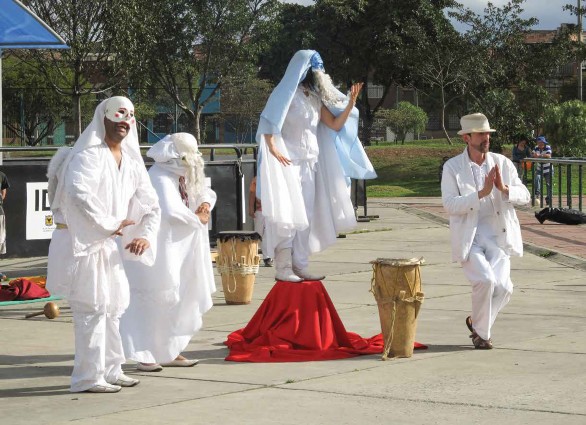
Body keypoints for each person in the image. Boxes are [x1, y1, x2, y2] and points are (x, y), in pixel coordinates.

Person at [46, 96, 161, 393]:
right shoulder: (87, 155)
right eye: (119, 114)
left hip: (106, 244)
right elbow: (77, 194)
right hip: (80, 242)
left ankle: (112, 369)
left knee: (114, 306)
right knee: (92, 308)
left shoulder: (132, 162)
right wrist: (111, 223)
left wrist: (145, 234)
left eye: (130, 116)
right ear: (104, 118)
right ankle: (87, 377)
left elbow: (150, 204)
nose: (125, 121)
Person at [257, 49, 376, 282]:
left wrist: (350, 104)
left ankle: (300, 265)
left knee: (306, 216)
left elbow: (333, 124)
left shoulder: (313, 96)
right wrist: (272, 147)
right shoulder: (285, 94)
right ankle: (283, 268)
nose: (319, 73)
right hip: (288, 163)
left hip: (310, 164)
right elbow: (270, 121)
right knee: (289, 215)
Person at [120, 132, 216, 372]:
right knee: (153, 301)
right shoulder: (160, 178)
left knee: (176, 300)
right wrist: (198, 217)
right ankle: (144, 353)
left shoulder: (181, 176)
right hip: (158, 254)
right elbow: (172, 211)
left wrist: (204, 203)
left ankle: (169, 350)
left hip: (178, 253)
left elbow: (202, 189)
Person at [441, 113, 530, 349]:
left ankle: (477, 325)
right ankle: (482, 336)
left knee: (504, 287)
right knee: (485, 280)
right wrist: (480, 193)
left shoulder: (502, 163)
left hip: (498, 236)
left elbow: (526, 197)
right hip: (470, 238)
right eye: (481, 134)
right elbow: (450, 205)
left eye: (487, 133)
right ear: (467, 138)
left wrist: (503, 188)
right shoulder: (452, 168)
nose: (486, 138)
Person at [248, 176, 272, 267]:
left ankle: (267, 257)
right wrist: (250, 208)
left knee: (267, 234)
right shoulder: (256, 179)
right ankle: (253, 255)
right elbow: (252, 194)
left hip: (271, 212)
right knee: (258, 234)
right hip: (259, 211)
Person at [531, 136, 553, 205]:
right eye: (539, 143)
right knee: (537, 178)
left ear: (544, 143)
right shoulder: (536, 147)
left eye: (542, 143)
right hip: (539, 168)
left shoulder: (548, 147)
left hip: (548, 169)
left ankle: (549, 199)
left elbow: (549, 155)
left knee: (549, 184)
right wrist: (535, 155)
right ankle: (537, 195)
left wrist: (540, 155)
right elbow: (533, 154)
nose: (540, 145)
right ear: (538, 143)